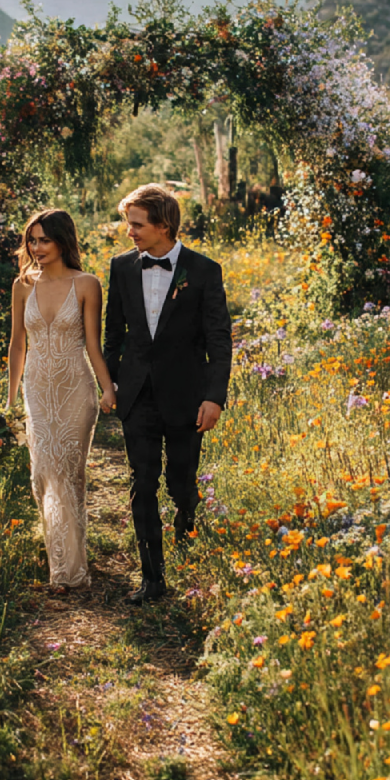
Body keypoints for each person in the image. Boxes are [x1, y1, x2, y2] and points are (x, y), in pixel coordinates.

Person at [103, 184, 232, 605]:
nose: (130, 232)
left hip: (186, 396)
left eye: (137, 225)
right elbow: (113, 334)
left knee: (181, 483)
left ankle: (186, 527)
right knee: (142, 482)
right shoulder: (121, 268)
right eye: (129, 224)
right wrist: (111, 384)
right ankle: (152, 578)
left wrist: (214, 397)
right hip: (137, 394)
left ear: (163, 225)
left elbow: (219, 340)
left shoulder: (205, 270)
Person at [7, 209, 117, 593]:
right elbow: (17, 345)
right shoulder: (23, 285)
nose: (36, 248)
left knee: (68, 474)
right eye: (32, 241)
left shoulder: (87, 284)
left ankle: (70, 571)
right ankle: (61, 559)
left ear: (63, 241)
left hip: (75, 390)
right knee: (42, 474)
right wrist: (10, 401)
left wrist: (107, 388)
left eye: (45, 240)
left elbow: (93, 344)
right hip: (37, 390)